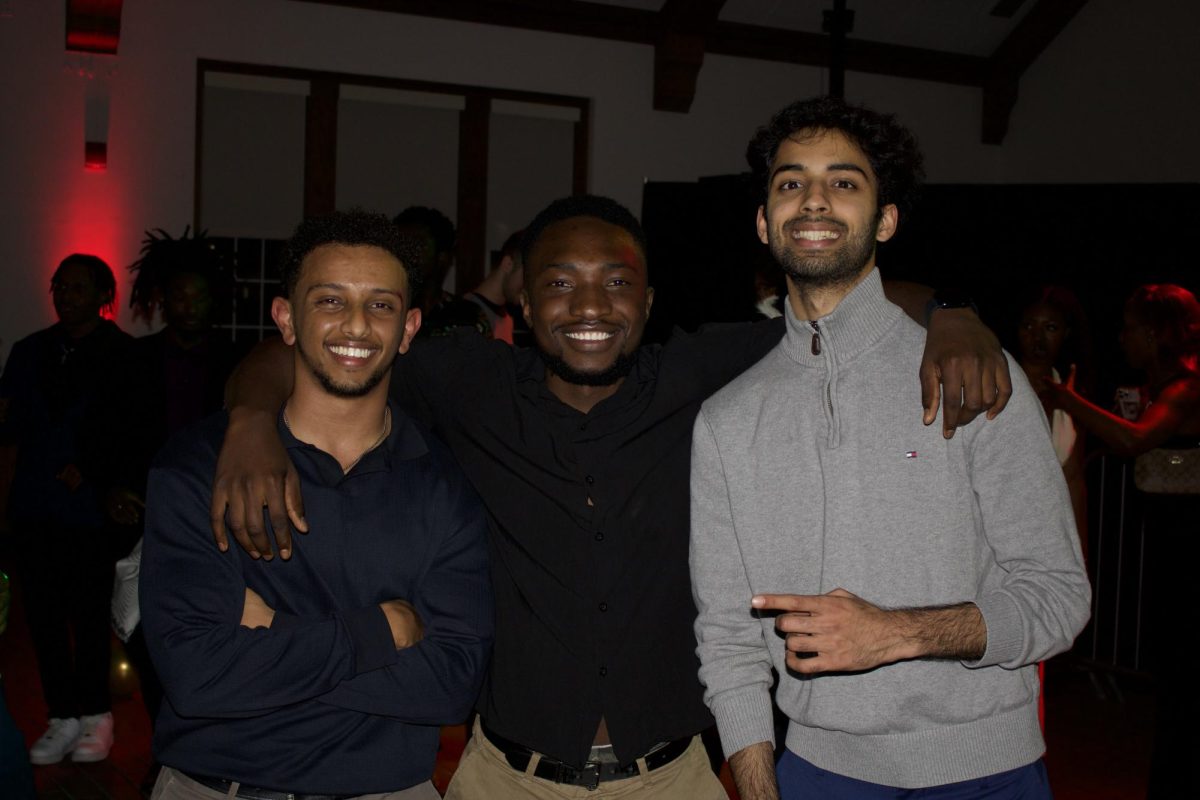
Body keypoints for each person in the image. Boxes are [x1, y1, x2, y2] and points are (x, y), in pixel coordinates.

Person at [213, 195, 1013, 798]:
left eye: (615, 283)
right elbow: (294, 356)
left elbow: (849, 309)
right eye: (560, 283)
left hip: (673, 779)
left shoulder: (700, 378)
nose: (589, 307)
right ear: (524, 305)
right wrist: (250, 422)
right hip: (505, 780)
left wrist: (952, 313)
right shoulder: (467, 383)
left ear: (650, 301)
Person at [689, 96, 1091, 800]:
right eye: (791, 182)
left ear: (886, 219)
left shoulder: (974, 376)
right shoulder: (727, 421)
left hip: (988, 773)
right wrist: (756, 786)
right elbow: (727, 637)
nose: (814, 199)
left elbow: (1059, 600)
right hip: (816, 774)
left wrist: (900, 633)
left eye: (844, 182)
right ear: (763, 220)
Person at [140, 210, 493, 799]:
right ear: (286, 319)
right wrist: (382, 631)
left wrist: (274, 630)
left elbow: (451, 686)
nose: (356, 325)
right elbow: (197, 674)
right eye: (330, 300)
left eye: (380, 305)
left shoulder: (446, 486)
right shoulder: (198, 468)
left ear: (408, 328)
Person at [1040, 283, 1200, 799]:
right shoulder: (1162, 385)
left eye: (1130, 328)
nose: (1122, 338)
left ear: (1154, 333)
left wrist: (1068, 401)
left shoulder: (1185, 386)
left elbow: (1135, 440)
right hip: (1172, 538)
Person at [0, 254, 132, 765]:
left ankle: (97, 715)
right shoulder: (30, 351)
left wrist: (96, 472)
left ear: (104, 295)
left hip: (92, 514)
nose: (67, 294)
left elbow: (132, 430)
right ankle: (62, 716)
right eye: (61, 285)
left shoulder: (122, 353)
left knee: (91, 615)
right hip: (36, 508)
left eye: (79, 287)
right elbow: (9, 431)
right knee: (44, 618)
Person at [1014, 285, 1094, 557]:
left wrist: (1080, 553)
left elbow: (1074, 481)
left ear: (1066, 333)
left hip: (1049, 534)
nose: (1037, 337)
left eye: (1050, 328)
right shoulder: (999, 387)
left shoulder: (1072, 397)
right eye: (1028, 326)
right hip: (1005, 529)